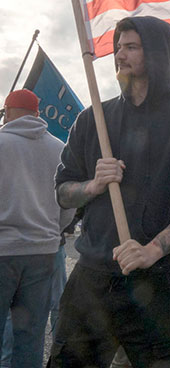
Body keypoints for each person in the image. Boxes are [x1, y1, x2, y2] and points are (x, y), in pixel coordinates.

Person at [49, 16, 170, 368]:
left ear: (155, 54)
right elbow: (63, 192)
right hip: (93, 277)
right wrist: (93, 186)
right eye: (117, 47)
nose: (119, 55)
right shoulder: (93, 119)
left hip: (155, 283)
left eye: (131, 47)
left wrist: (152, 250)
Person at [0, 89, 74, 368]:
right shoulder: (59, 148)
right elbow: (68, 202)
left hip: (2, 252)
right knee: (30, 339)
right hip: (43, 253)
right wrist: (53, 230)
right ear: (38, 114)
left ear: (7, 112)